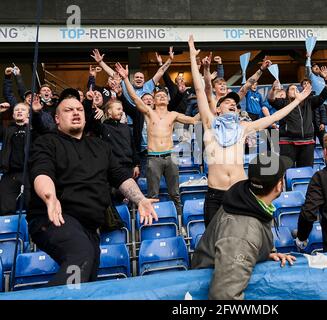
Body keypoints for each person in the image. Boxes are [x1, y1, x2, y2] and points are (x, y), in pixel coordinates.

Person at [28, 90, 158, 287]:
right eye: (68, 110)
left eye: (79, 109)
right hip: (55, 217)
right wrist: (50, 197)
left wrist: (140, 199)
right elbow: (41, 173)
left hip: (89, 226)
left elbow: (121, 176)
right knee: (80, 256)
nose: (76, 112)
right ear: (57, 118)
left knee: (87, 275)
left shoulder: (100, 146)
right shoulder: (47, 141)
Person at [188, 35, 311, 226]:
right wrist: (191, 52)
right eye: (227, 102)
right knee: (213, 241)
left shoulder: (243, 127)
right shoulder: (210, 123)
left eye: (234, 104)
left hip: (240, 191)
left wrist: (297, 100)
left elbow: (274, 117)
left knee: (249, 234)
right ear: (218, 109)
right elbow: (198, 88)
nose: (231, 104)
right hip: (215, 194)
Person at [192, 153, 296, 300]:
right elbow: (224, 297)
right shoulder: (242, 232)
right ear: (279, 185)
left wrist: (263, 253)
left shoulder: (249, 200)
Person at [115, 62, 200, 217]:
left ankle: (179, 223)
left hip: (170, 157)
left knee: (175, 194)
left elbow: (194, 120)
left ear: (168, 100)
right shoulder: (148, 113)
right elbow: (134, 97)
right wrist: (126, 79)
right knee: (153, 194)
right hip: (153, 158)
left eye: (163, 95)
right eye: (158, 96)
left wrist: (207, 102)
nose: (161, 96)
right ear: (153, 101)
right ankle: (155, 222)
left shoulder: (173, 115)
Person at [268, 76, 327, 168]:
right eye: (292, 89)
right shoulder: (283, 103)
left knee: (307, 170)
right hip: (288, 143)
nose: (295, 90)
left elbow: (322, 97)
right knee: (287, 170)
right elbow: (271, 100)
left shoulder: (308, 102)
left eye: (297, 89)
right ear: (287, 93)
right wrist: (273, 89)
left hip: (307, 142)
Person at [0, 101, 31, 214]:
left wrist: (30, 125)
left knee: (33, 207)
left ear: (28, 114)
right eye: (16, 110)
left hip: (29, 174)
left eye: (23, 109)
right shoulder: (7, 130)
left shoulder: (33, 130)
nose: (19, 111)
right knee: (4, 208)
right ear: (13, 115)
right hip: (10, 174)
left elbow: (47, 129)